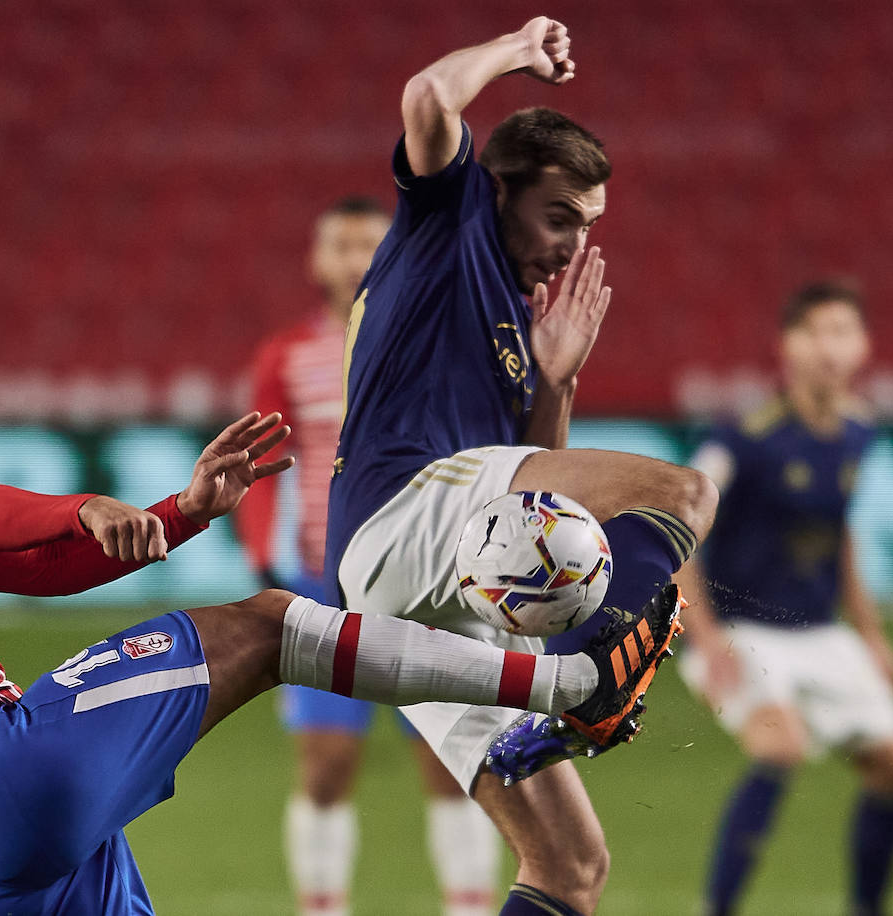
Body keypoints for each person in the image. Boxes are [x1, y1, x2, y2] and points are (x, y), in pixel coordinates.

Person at [0, 303, 670, 915]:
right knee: (269, 626)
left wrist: (180, 513)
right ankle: (572, 684)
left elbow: (39, 566)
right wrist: (82, 503)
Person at [323, 17, 720, 916]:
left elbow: (546, 509)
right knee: (685, 492)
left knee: (570, 867)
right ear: (499, 190)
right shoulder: (450, 221)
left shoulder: (511, 320)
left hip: (429, 588)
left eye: (588, 226)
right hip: (403, 510)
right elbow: (429, 96)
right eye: (559, 216)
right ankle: (586, 678)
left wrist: (556, 380)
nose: (573, 244)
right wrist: (517, 49)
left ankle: (578, 682)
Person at [239, 196, 502, 916]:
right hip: (325, 582)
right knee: (326, 764)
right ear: (317, 260)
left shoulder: (442, 343)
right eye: (343, 244)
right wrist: (261, 557)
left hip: (427, 581)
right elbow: (261, 465)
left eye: (370, 244)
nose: (357, 258)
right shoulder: (287, 355)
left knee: (449, 759)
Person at [676, 282, 893, 916]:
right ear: (787, 346)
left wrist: (872, 635)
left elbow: (840, 536)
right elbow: (680, 540)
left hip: (819, 632)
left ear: (863, 346)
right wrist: (708, 641)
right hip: (743, 634)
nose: (828, 348)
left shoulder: (859, 430)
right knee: (780, 746)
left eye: (842, 332)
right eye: (813, 332)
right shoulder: (741, 438)